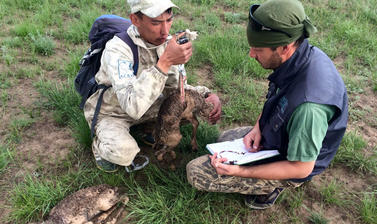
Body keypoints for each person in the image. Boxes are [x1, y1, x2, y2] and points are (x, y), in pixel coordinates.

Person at [186, 0, 348, 210]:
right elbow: (279, 96)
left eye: (258, 49)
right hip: (283, 136)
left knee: (196, 172)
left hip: (294, 162)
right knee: (224, 139)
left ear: (284, 47)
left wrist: (241, 172)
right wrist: (258, 127)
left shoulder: (310, 108)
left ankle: (272, 187)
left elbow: (301, 168)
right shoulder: (299, 58)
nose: (251, 55)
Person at [84, 0, 221, 173]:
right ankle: (100, 145)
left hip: (150, 106)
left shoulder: (168, 43)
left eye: (169, 20)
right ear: (135, 19)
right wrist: (165, 62)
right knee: (123, 153)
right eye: (156, 23)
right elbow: (132, 106)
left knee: (192, 106)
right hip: (114, 112)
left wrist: (207, 95)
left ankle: (148, 128)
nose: (165, 31)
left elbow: (176, 90)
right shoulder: (117, 49)